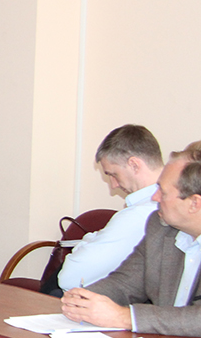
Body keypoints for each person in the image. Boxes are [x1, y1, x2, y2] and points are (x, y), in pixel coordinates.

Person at [62, 147, 201, 336]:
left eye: (163, 192)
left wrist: (126, 317)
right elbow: (126, 283)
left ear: (194, 203)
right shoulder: (160, 227)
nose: (154, 197)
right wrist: (85, 299)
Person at [55, 124, 162, 293]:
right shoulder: (169, 206)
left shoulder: (139, 216)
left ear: (134, 165)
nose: (114, 185)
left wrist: (87, 242)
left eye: (113, 174)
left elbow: (69, 278)